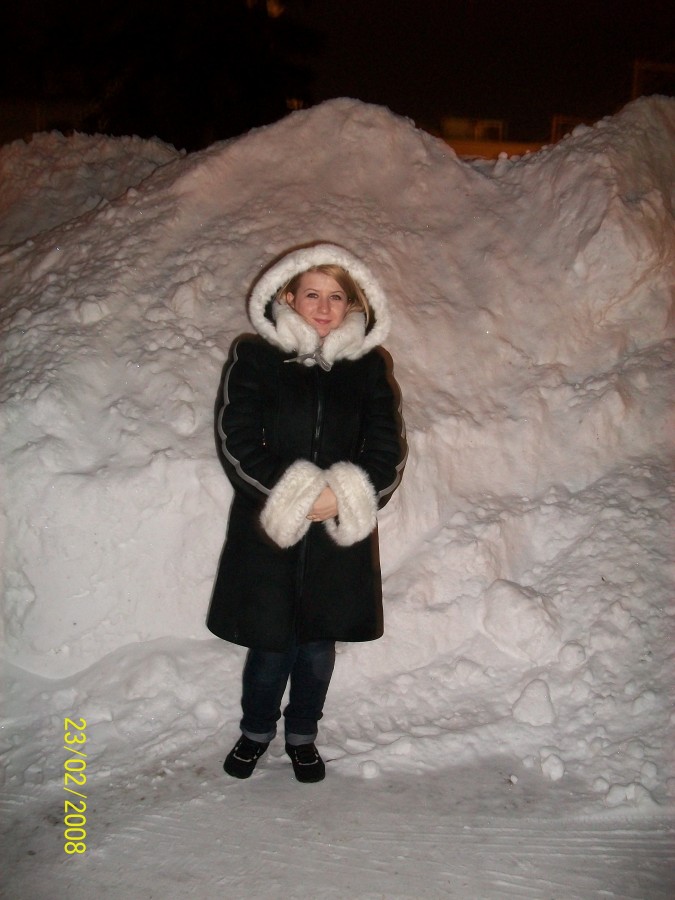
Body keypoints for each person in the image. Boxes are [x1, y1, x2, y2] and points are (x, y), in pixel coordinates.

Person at [207, 242, 406, 783]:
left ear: (353, 305)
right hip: (271, 530)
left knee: (318, 649)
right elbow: (236, 439)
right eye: (312, 294)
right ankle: (255, 732)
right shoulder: (256, 357)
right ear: (289, 298)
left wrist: (343, 496)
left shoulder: (369, 368)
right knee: (270, 647)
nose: (323, 306)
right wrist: (296, 495)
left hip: (337, 536)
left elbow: (387, 449)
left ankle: (302, 735)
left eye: (336, 296)